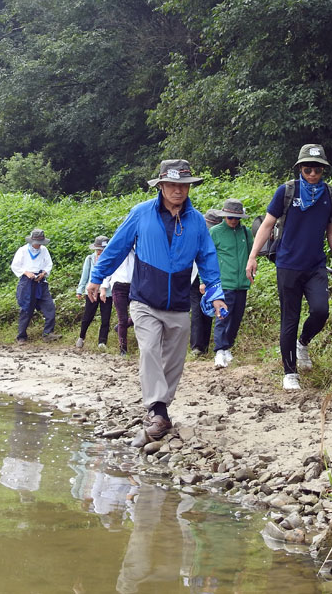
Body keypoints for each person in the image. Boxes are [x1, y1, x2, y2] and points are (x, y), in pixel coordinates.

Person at [85, 159, 227, 447]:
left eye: (183, 185)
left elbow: (208, 258)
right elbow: (116, 247)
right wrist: (97, 277)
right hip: (144, 300)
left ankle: (160, 408)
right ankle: (158, 411)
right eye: (173, 184)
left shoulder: (197, 221)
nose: (178, 190)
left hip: (178, 303)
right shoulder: (141, 213)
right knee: (149, 349)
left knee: (174, 361)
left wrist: (216, 294)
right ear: (161, 186)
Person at [245, 143, 332, 390]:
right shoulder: (287, 191)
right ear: (300, 168)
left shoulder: (331, 195)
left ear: (324, 169)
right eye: (307, 168)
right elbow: (267, 224)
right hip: (288, 265)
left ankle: (302, 343)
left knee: (321, 311)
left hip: (315, 266)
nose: (312, 173)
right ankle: (289, 372)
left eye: (317, 169)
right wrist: (252, 257)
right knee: (289, 319)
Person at [208, 199, 253, 369]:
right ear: (224, 216)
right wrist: (204, 282)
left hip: (241, 282)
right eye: (229, 217)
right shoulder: (215, 232)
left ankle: (227, 347)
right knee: (222, 316)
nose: (233, 221)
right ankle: (219, 350)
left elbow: (251, 254)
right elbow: (206, 258)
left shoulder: (246, 232)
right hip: (223, 282)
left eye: (236, 218)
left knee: (236, 318)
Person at [11, 228, 58, 344]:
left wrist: (44, 273)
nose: (38, 245)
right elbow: (15, 266)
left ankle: (48, 333)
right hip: (27, 282)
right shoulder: (22, 250)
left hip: (41, 282)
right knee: (26, 308)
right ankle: (21, 336)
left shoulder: (44, 250)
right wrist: (27, 273)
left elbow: (49, 264)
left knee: (49, 306)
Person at [190, 209, 222, 355]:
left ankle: (203, 347)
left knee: (208, 310)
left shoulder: (213, 235)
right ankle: (197, 346)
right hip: (195, 276)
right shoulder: (198, 234)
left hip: (209, 276)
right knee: (197, 310)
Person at [76, 235, 111, 350]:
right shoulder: (90, 259)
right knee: (88, 316)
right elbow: (85, 275)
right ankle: (81, 337)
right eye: (98, 249)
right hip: (91, 291)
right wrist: (80, 290)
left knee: (106, 318)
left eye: (102, 250)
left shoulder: (110, 259)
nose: (100, 252)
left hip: (107, 293)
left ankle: (102, 342)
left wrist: (104, 289)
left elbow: (110, 276)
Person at [101, 248, 136, 357]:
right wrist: (103, 288)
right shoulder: (116, 252)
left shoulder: (136, 252)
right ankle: (123, 349)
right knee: (122, 318)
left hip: (134, 287)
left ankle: (122, 326)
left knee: (139, 315)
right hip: (118, 287)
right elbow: (107, 270)